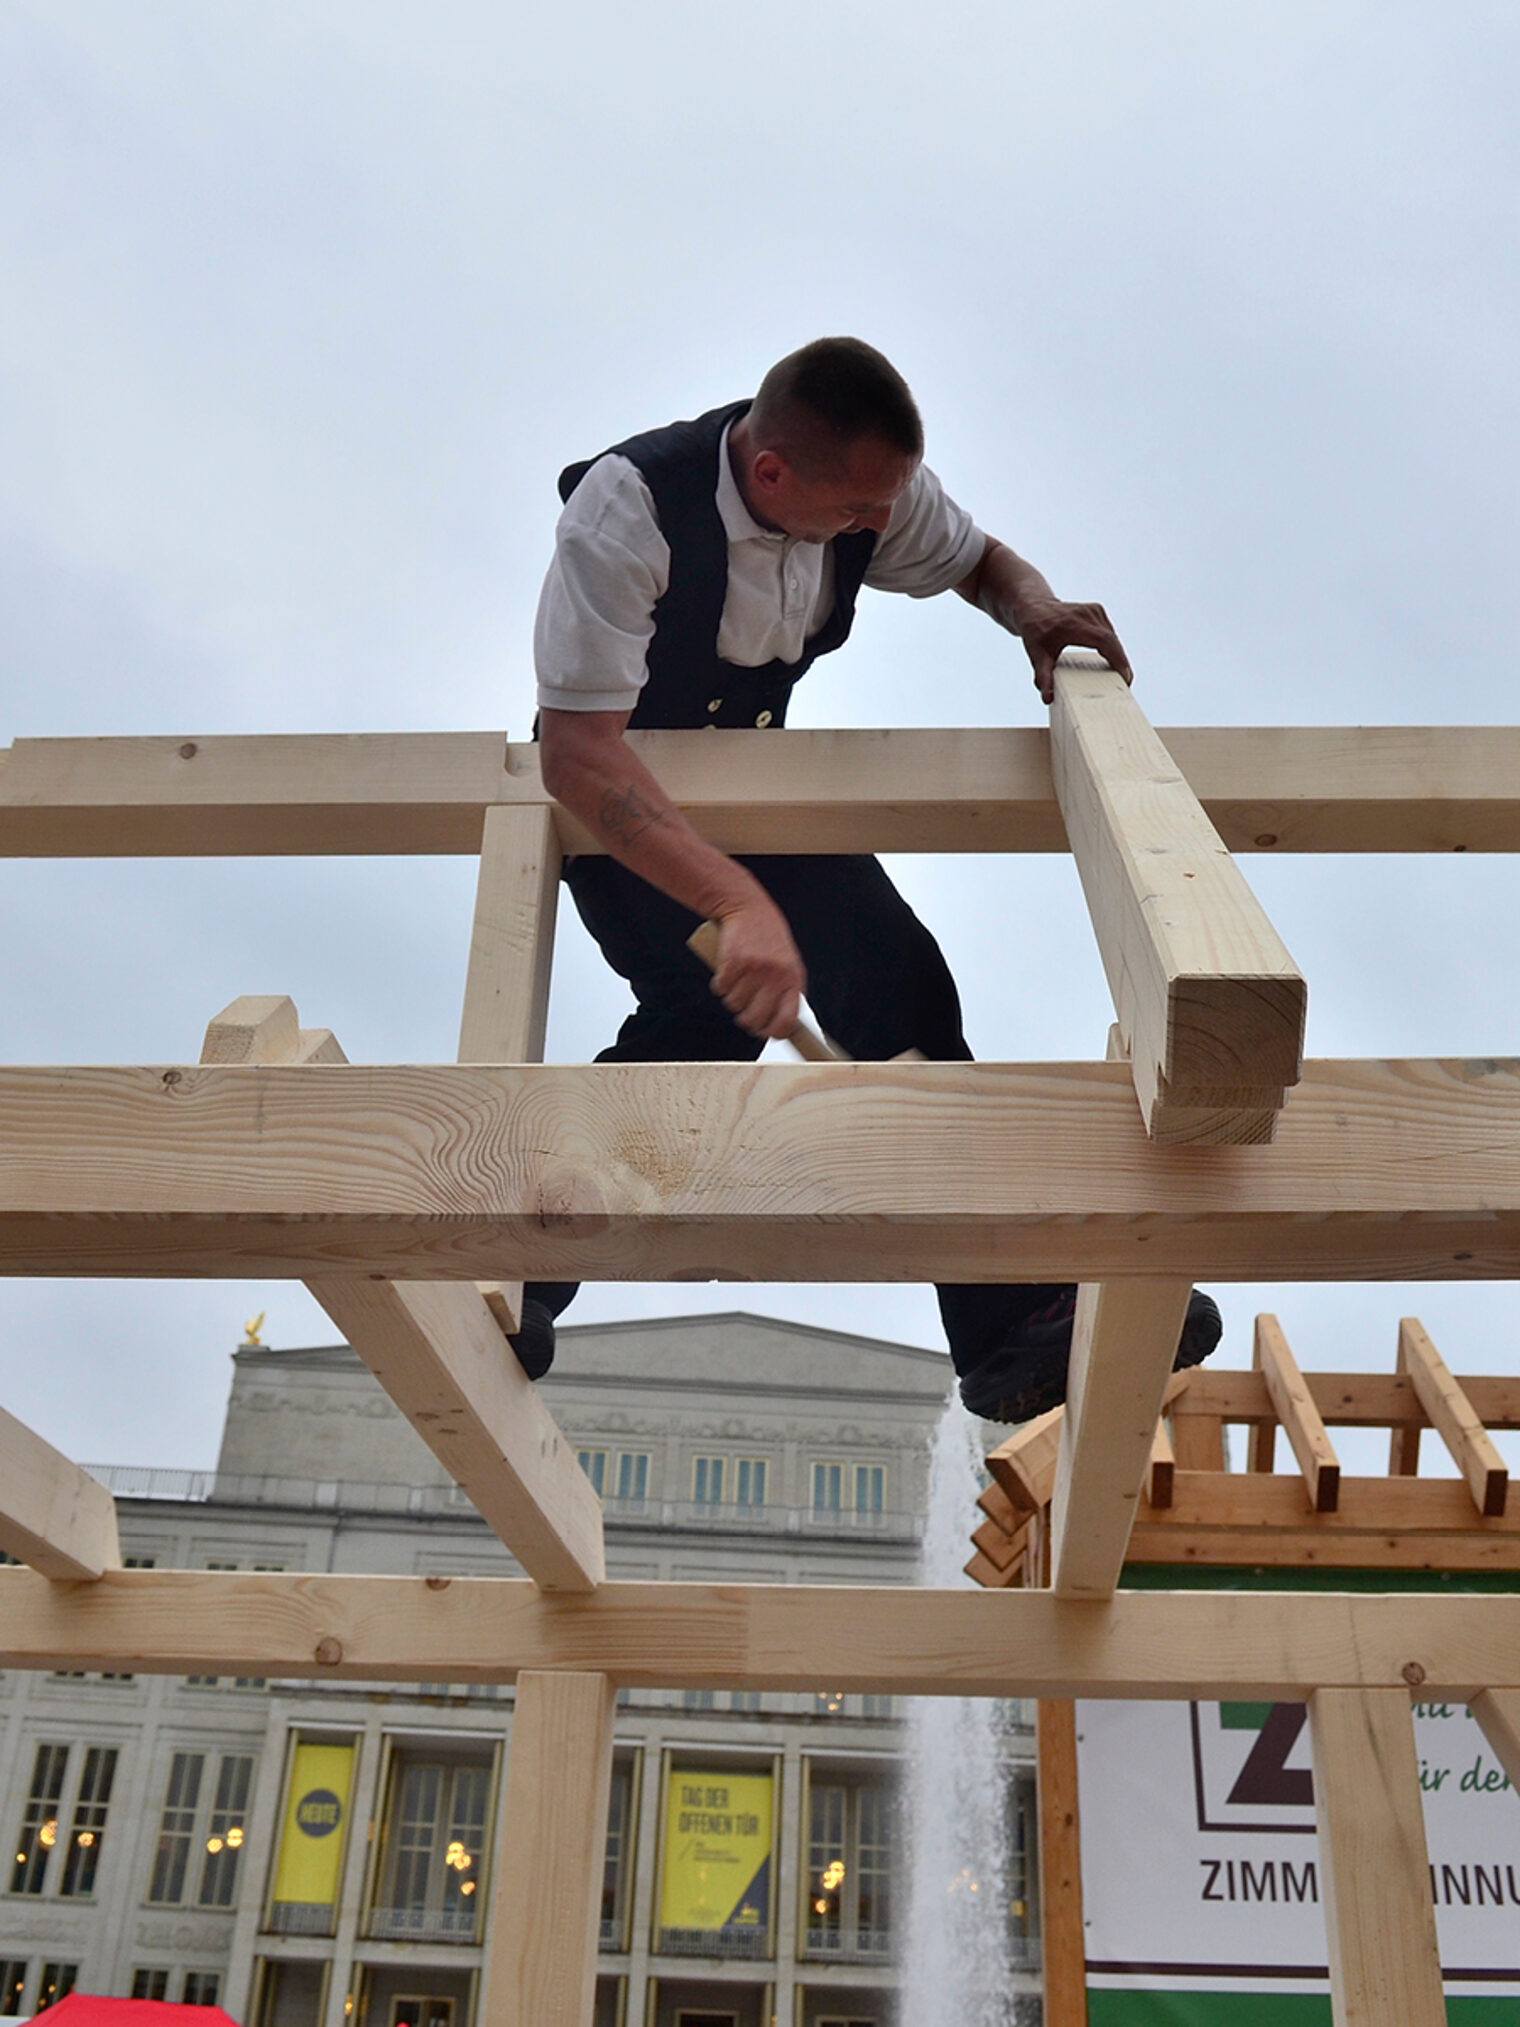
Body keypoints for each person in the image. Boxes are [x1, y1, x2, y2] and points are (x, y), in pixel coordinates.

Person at [514, 336, 1221, 1419]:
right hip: (630, 805)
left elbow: (981, 559)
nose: (873, 531)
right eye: (853, 514)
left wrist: (1037, 614)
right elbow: (574, 751)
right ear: (769, 474)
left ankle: (1007, 1316)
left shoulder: (873, 495)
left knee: (902, 987)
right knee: (702, 1024)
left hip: (760, 793)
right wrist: (734, 901)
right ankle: (516, 1261)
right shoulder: (627, 509)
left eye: (882, 511)